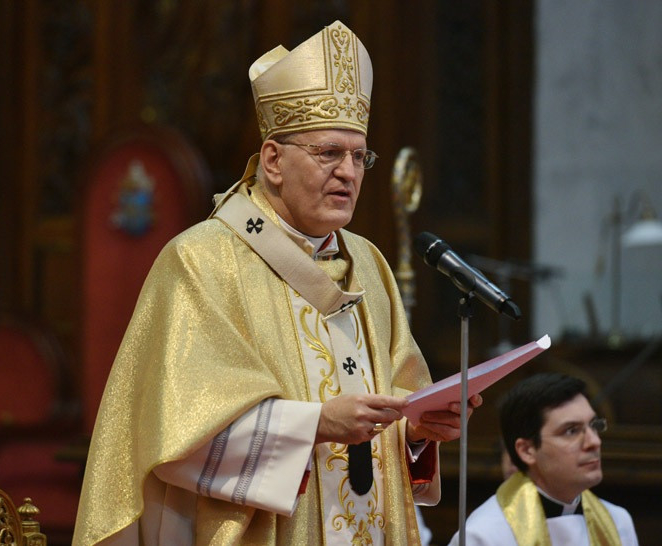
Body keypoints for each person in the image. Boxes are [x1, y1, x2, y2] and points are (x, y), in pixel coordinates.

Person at [73, 20, 480, 546]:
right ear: (273, 161)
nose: (349, 172)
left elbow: (393, 404)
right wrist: (315, 424)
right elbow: (174, 434)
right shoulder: (202, 261)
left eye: (360, 156)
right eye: (328, 153)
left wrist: (417, 431)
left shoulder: (368, 262)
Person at [449, 372, 639, 545]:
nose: (594, 441)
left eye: (594, 425)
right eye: (571, 431)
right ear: (527, 450)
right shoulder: (484, 535)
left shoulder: (617, 522)